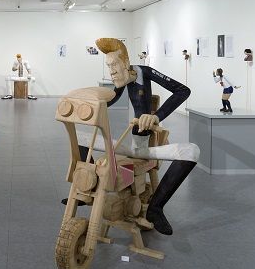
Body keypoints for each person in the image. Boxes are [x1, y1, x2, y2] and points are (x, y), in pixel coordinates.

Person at [68, 38, 199, 236]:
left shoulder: (144, 72)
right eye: (108, 66)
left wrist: (156, 116)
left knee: (192, 151)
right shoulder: (123, 79)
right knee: (78, 138)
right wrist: (87, 103)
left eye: (114, 65)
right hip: (132, 145)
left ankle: (156, 208)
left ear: (127, 63)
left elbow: (183, 91)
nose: (111, 71)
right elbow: (111, 98)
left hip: (144, 147)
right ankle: (88, 190)